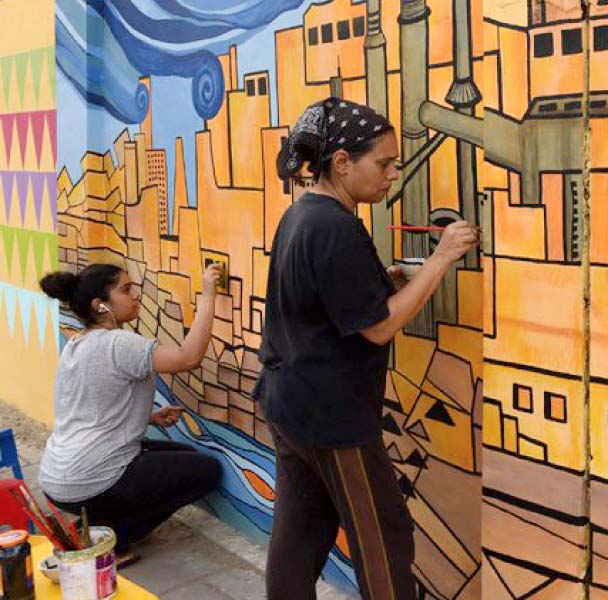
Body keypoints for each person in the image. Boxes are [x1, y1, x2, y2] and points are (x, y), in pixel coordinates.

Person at [256, 97, 480, 599]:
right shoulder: (334, 227)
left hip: (288, 403)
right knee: (383, 533)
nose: (392, 174)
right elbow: (377, 329)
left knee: (299, 530)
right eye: (382, 163)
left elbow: (332, 298)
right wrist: (442, 259)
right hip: (331, 418)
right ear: (341, 163)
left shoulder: (302, 216)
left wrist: (391, 280)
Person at [38, 262, 224, 565]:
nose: (135, 296)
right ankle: (111, 539)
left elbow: (84, 409)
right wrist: (207, 295)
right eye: (125, 290)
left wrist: (147, 418)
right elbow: (188, 358)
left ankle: (95, 523)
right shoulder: (117, 343)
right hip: (91, 479)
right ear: (101, 305)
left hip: (57, 479)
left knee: (183, 454)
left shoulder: (76, 345)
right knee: (206, 472)